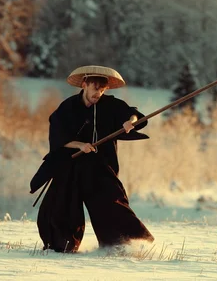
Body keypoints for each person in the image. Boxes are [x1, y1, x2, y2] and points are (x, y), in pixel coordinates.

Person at [32, 65, 154, 253]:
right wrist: (80, 145)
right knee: (61, 205)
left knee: (112, 202)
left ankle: (128, 244)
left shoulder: (111, 105)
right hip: (70, 164)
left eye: (102, 89)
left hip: (100, 165)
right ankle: (62, 246)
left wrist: (131, 121)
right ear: (84, 84)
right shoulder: (68, 107)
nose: (98, 93)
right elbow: (58, 137)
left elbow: (134, 113)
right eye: (95, 88)